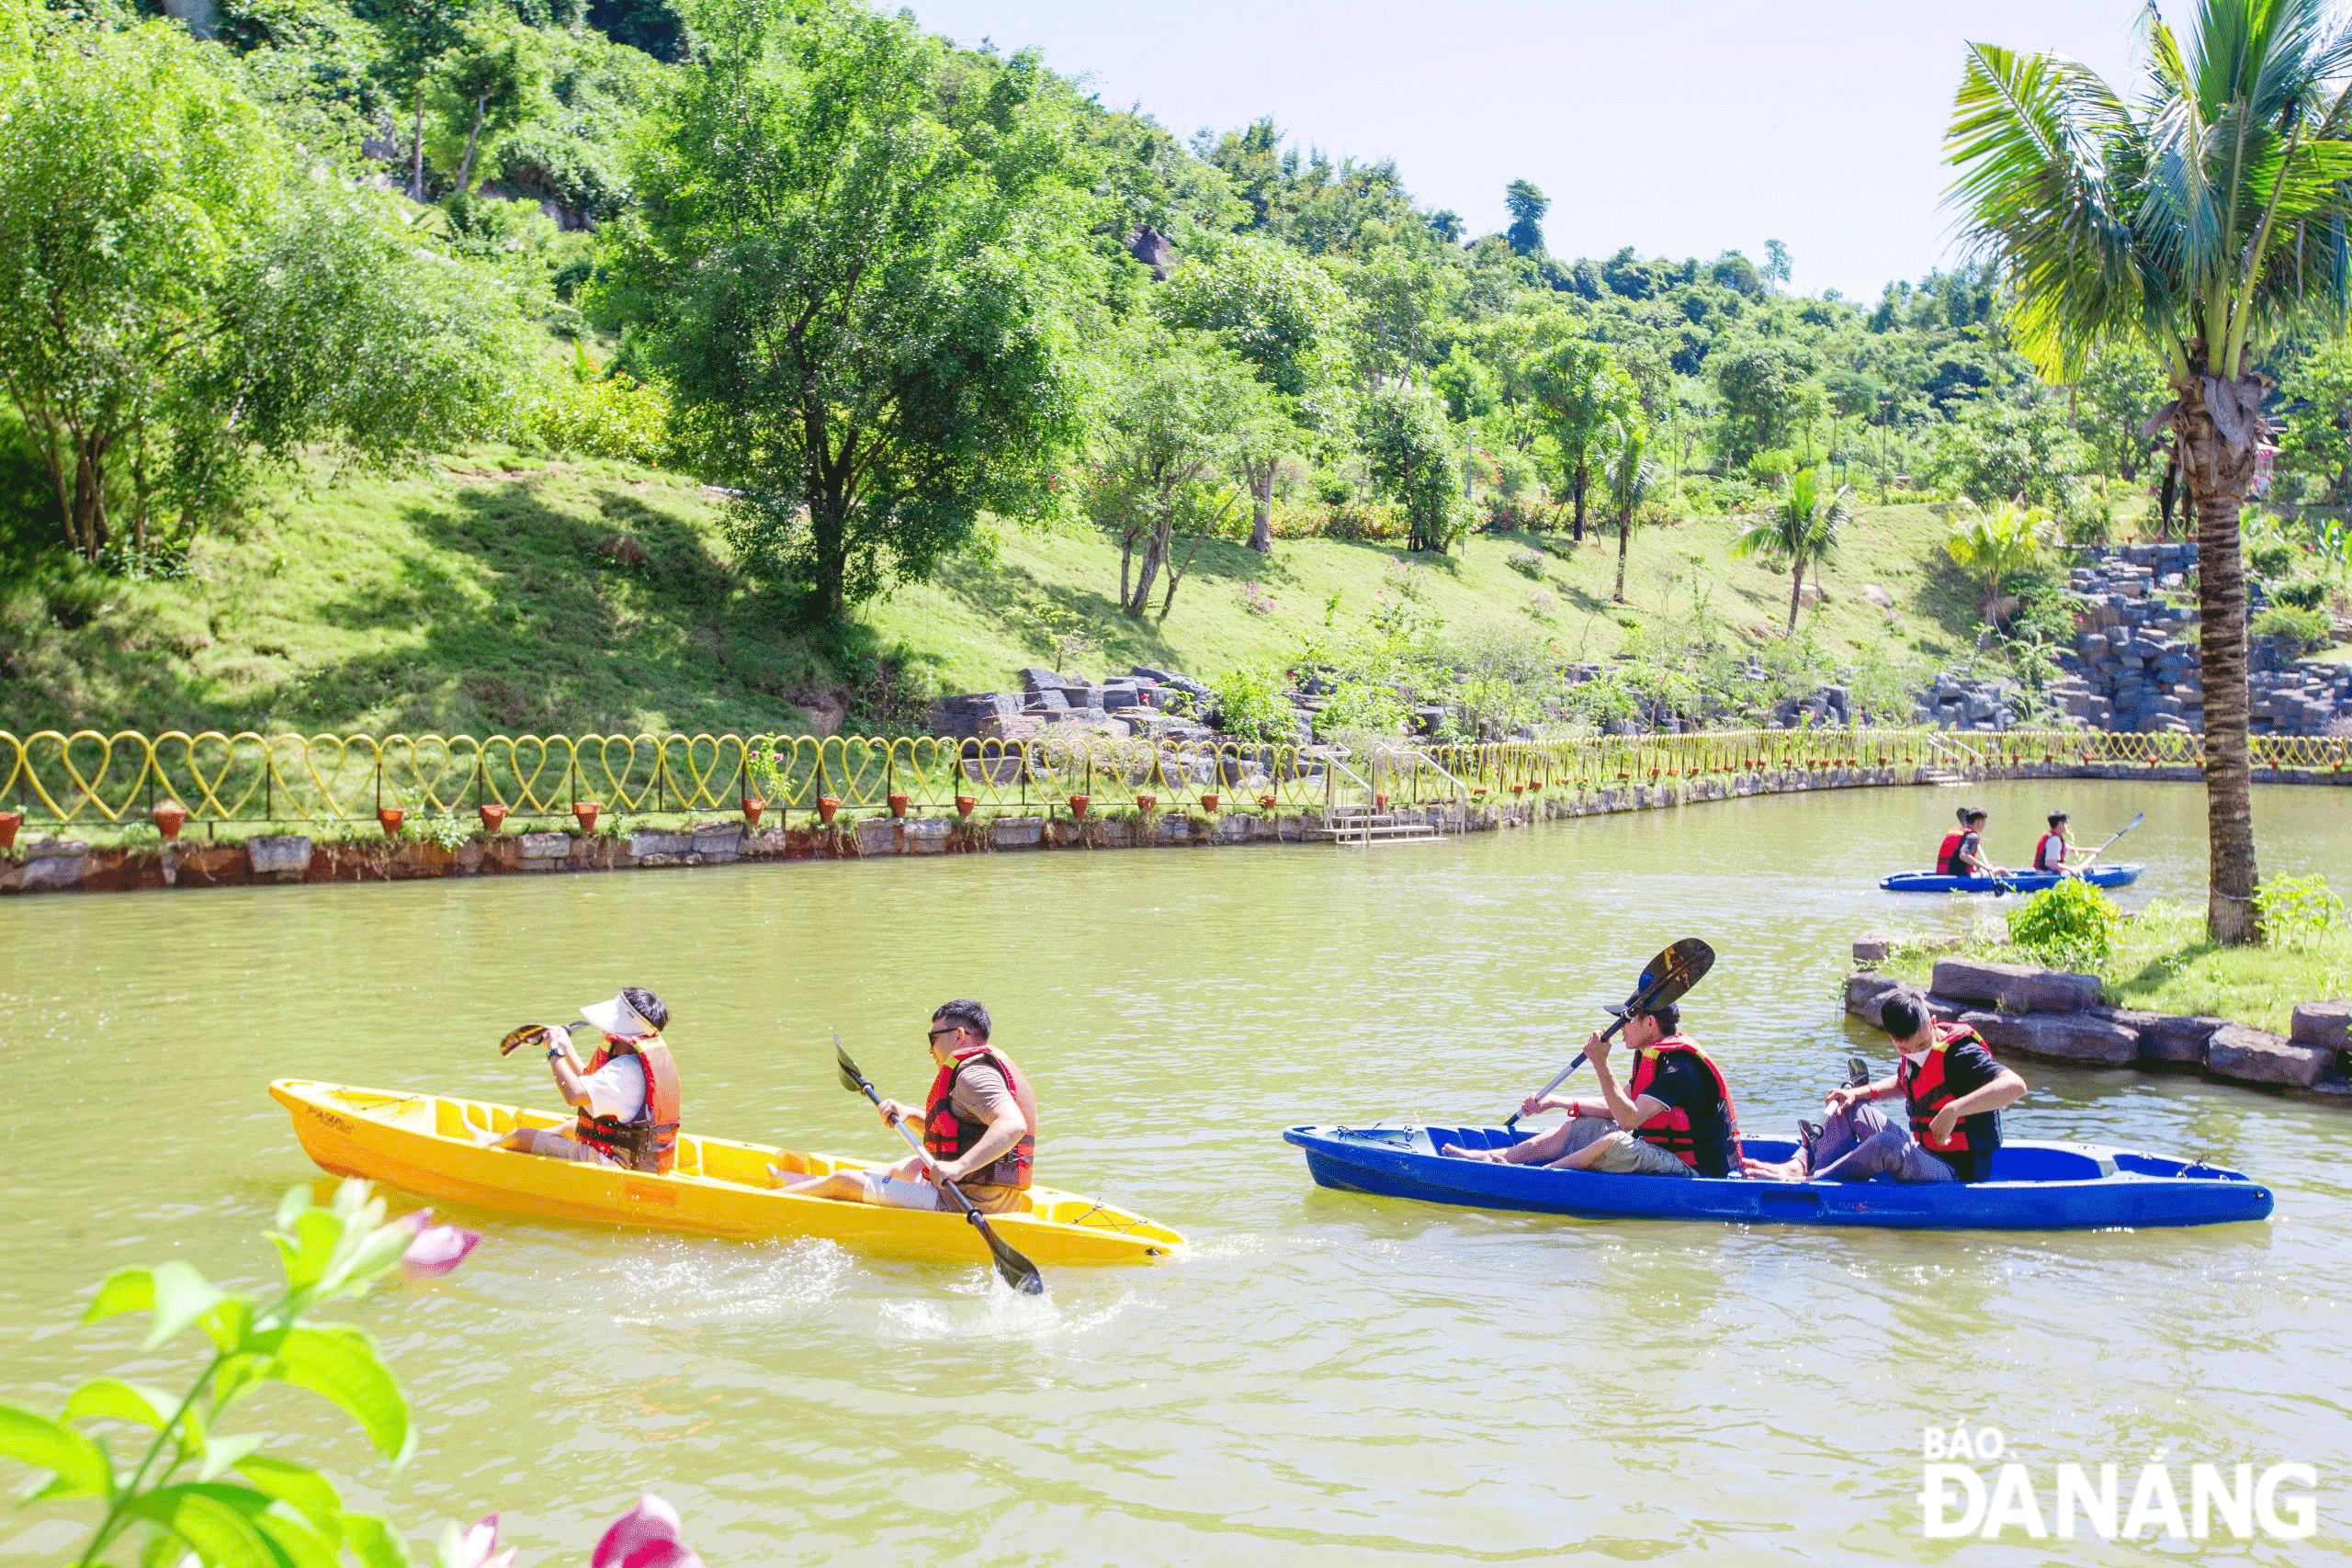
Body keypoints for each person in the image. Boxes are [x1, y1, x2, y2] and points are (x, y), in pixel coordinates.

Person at [1743, 987, 2026, 1185]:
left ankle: (1811, 1183)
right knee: (1849, 1108)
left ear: (1934, 1023)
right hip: (1926, 1154)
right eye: (1905, 1048)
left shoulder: (1961, 1055)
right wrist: (1858, 1093)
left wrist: (1954, 1109)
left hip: (1957, 1174)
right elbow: (1906, 1083)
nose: (1914, 1051)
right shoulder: (1915, 1054)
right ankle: (1799, 1164)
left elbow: (2015, 1085)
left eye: (1922, 1044)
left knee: (1887, 1146)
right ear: (1891, 1037)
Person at [779, 999, 1036, 1214]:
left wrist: (959, 1167)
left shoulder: (973, 1075)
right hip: (992, 1196)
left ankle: (775, 1200)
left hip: (967, 1203)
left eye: (933, 1038)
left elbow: (1013, 1125)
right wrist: (909, 1115)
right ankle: (809, 1185)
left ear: (959, 1036)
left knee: (844, 1181)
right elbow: (964, 1131)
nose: (930, 1049)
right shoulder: (977, 1068)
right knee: (911, 1166)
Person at [1442, 998, 1742, 1178]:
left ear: (1649, 1023)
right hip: (1661, 1152)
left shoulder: (1679, 1068)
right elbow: (1619, 1104)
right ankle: (1499, 1158)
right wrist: (1560, 1102)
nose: (1620, 1028)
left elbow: (1627, 1120)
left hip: (1696, 1173)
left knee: (1613, 1141)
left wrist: (1600, 1062)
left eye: (1626, 1021)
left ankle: (1544, 1178)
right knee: (1583, 1126)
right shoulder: (1652, 1056)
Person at [484, 987, 682, 1172]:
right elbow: (590, 1086)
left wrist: (554, 1050)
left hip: (615, 1165)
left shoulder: (623, 1071)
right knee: (571, 1127)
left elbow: (575, 1095)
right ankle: (497, 1139)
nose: (604, 1033)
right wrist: (567, 1047)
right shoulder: (634, 1063)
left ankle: (487, 1146)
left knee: (522, 1137)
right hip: (638, 1157)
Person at [1941, 808, 2005, 880]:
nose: (1984, 825)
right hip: (1961, 877)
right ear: (1979, 822)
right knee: (2001, 870)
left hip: (1944, 873)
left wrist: (1978, 867)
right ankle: (2014, 878)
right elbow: (1963, 856)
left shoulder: (1962, 833)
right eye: (1984, 822)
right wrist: (1985, 867)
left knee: (1987, 867)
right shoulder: (1972, 836)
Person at [2031, 811, 2098, 875]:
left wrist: (2093, 850)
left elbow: (2072, 850)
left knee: (2086, 869)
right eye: (2067, 823)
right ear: (2060, 824)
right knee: (2088, 871)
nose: (2069, 826)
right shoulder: (2054, 840)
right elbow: (2050, 863)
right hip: (2045, 875)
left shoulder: (2051, 836)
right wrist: (2070, 869)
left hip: (2044, 873)